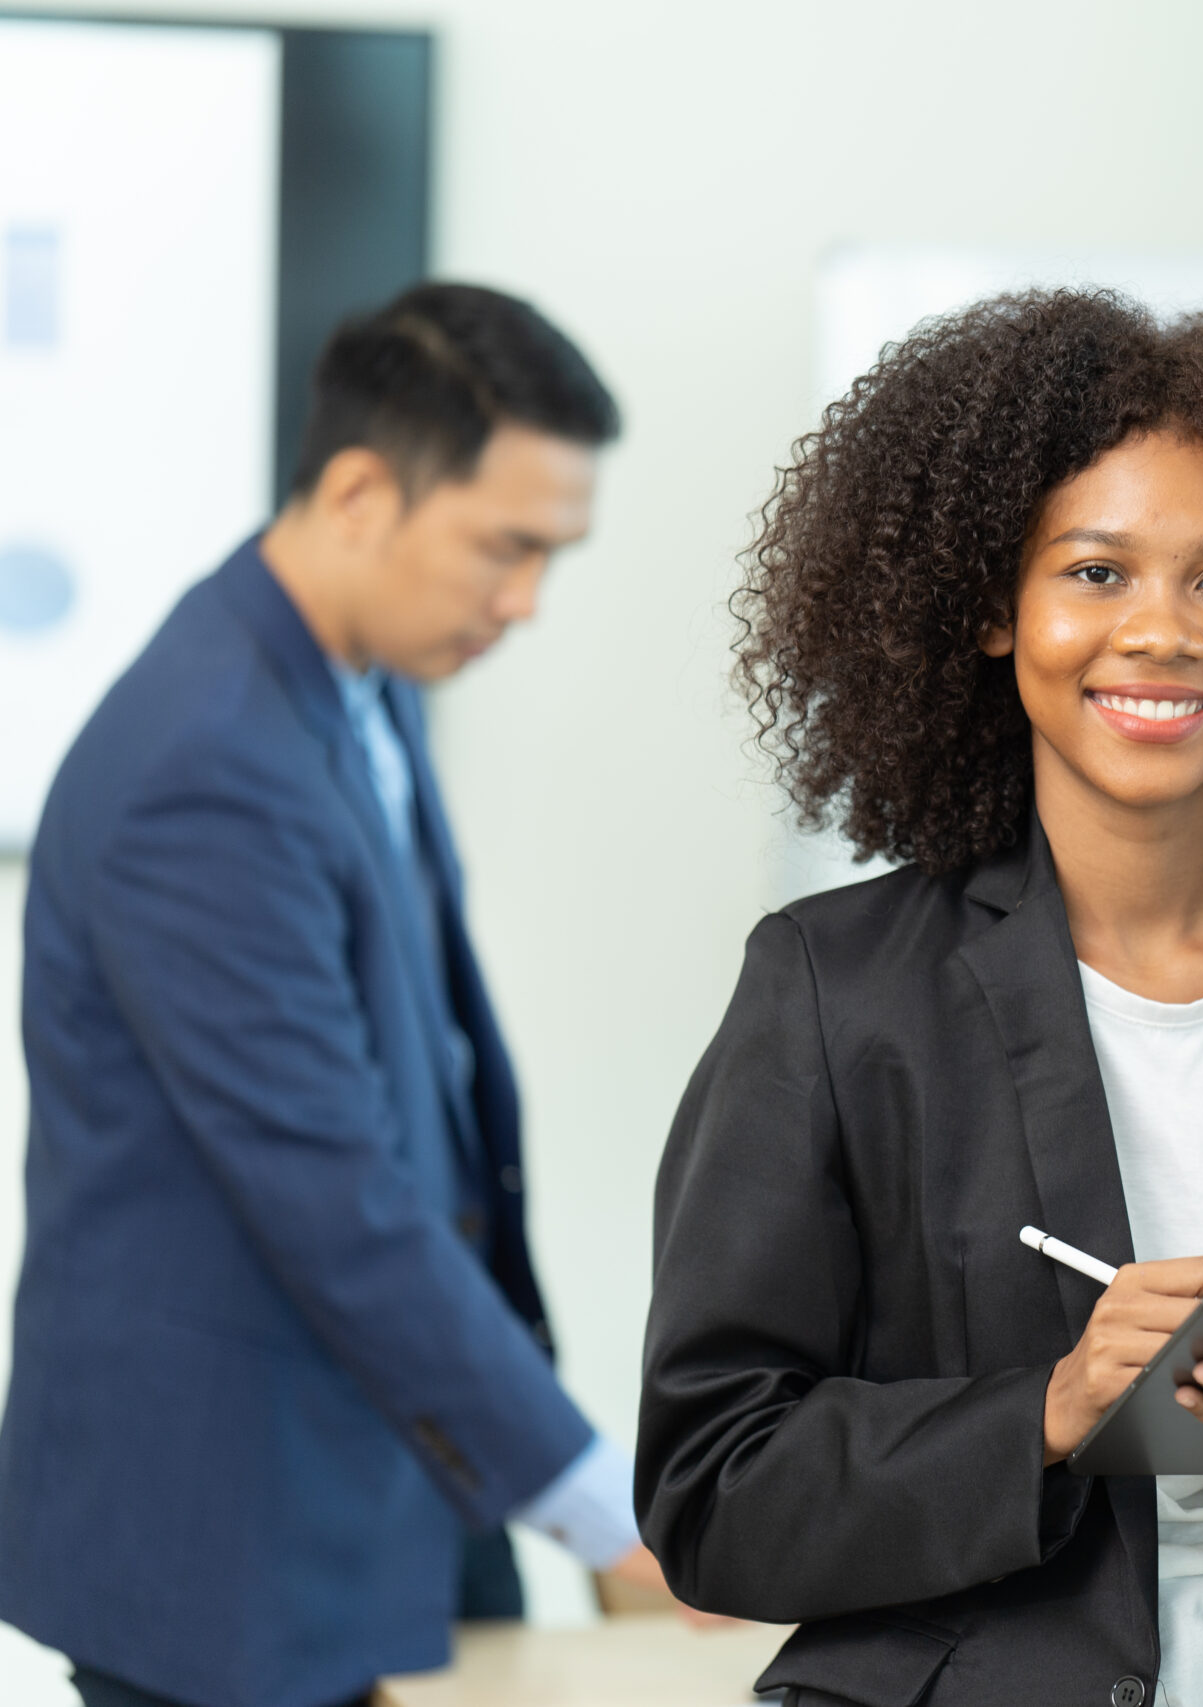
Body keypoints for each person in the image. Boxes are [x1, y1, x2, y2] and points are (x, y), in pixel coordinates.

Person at [638, 290, 1203, 1707]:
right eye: (1095, 571)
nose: (1163, 631)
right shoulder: (833, 992)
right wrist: (1048, 1412)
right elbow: (712, 1492)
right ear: (993, 612)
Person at [0, 284, 676, 1707]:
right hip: (223, 1533)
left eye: (556, 557)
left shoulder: (359, 678)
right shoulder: (206, 760)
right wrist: (604, 1509)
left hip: (384, 1467)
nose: (526, 603)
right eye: (506, 548)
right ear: (362, 489)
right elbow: (334, 1192)